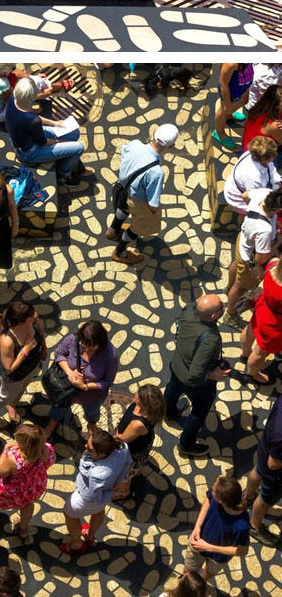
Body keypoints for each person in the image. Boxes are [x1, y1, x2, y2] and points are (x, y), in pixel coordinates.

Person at [164, 293, 230, 455]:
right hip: (195, 383)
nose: (224, 305)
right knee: (199, 411)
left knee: (173, 388)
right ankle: (186, 445)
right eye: (222, 305)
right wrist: (213, 375)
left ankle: (168, 413)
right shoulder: (210, 339)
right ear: (214, 315)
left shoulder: (189, 309)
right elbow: (195, 373)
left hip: (177, 365)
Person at [106, 123, 179, 264]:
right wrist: (152, 214)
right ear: (171, 147)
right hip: (136, 200)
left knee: (123, 208)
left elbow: (124, 151)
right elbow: (153, 203)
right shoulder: (156, 172)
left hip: (122, 188)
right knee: (139, 226)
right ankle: (119, 252)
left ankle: (113, 231)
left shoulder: (135, 144)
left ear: (154, 135)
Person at [59, 426, 131, 554]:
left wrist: (112, 493)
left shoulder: (96, 474)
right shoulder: (122, 447)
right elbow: (128, 463)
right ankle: (90, 537)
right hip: (104, 492)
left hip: (86, 499)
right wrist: (120, 482)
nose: (86, 447)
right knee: (99, 511)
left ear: (101, 455)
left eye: (90, 449)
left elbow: (96, 498)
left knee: (68, 513)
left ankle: (76, 544)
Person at [44, 319, 118, 439]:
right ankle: (52, 424)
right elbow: (59, 354)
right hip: (66, 389)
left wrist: (85, 386)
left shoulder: (110, 355)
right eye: (83, 344)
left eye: (90, 346)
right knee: (59, 407)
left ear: (100, 343)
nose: (85, 348)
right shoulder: (73, 339)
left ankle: (91, 425)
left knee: (92, 412)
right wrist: (69, 373)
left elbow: (107, 381)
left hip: (92, 395)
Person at [4, 79, 84, 183]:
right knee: (79, 147)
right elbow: (43, 142)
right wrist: (61, 142)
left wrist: (54, 123)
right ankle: (63, 174)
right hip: (29, 153)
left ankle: (66, 157)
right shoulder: (33, 121)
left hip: (25, 137)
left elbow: (33, 118)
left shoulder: (13, 99)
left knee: (75, 133)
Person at [0, 421, 54, 536]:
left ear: (25, 444)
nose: (14, 435)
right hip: (32, 489)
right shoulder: (48, 449)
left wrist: (5, 450)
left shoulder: (14, 460)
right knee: (28, 506)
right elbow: (50, 462)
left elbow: (1, 472)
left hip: (11, 492)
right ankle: (23, 528)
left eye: (17, 437)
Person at [225, 184, 282, 318]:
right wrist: (278, 242)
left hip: (243, 241)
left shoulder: (265, 193)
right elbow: (261, 258)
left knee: (236, 265)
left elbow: (245, 195)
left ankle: (228, 287)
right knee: (240, 287)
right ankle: (230, 313)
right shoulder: (264, 230)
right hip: (250, 258)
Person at [180, 475, 250, 583]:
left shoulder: (242, 525)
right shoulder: (217, 496)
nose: (212, 488)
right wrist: (197, 526)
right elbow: (208, 500)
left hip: (218, 558)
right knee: (187, 573)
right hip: (198, 544)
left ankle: (199, 588)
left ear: (221, 501)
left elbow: (242, 551)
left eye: (213, 489)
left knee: (206, 576)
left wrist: (208, 547)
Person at [111, 383, 165, 497]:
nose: (134, 399)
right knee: (134, 470)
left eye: (138, 399)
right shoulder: (151, 411)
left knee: (125, 477)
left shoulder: (138, 424)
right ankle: (136, 472)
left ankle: (123, 492)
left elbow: (122, 439)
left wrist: (113, 437)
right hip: (141, 443)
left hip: (132, 453)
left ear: (146, 405)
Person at [241, 253, 282, 382]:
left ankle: (244, 354)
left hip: (262, 308)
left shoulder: (273, 265)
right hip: (275, 324)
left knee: (250, 329)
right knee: (260, 352)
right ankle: (253, 373)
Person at [244, 391, 282, 532]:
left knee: (258, 471)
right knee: (265, 500)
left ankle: (247, 497)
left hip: (264, 450)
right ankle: (255, 526)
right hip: (275, 474)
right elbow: (273, 464)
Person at [223, 136, 280, 214]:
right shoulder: (254, 178)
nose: (276, 154)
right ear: (265, 159)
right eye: (273, 155)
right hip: (239, 200)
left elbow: (271, 168)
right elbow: (255, 199)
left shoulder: (255, 154)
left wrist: (277, 182)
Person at [212, 63, 254, 149]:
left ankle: (229, 115)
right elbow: (223, 84)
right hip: (230, 93)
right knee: (224, 111)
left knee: (241, 103)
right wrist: (227, 104)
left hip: (240, 90)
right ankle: (219, 132)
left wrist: (246, 91)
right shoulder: (230, 64)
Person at [241, 85, 282, 152]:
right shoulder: (274, 125)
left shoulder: (261, 107)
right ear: (276, 105)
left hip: (247, 142)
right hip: (257, 153)